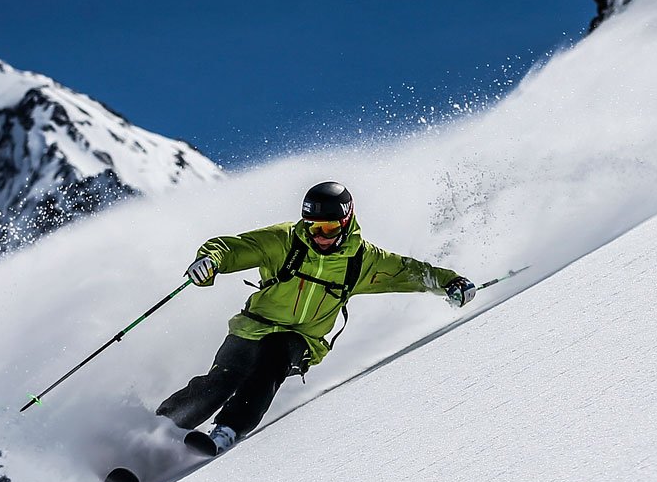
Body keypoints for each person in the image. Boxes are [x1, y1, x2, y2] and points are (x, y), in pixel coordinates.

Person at [156, 181, 475, 455]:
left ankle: (225, 431)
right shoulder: (284, 241)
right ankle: (158, 430)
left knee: (273, 360)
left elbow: (409, 273)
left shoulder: (361, 261)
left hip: (302, 340)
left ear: (346, 223)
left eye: (328, 229)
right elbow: (232, 248)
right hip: (253, 326)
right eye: (312, 228)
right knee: (222, 380)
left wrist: (450, 282)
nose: (319, 236)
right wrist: (210, 261)